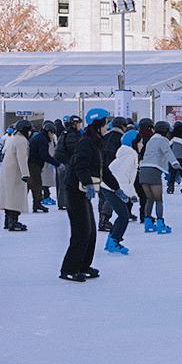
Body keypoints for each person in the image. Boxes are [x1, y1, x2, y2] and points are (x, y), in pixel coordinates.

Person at [61, 109, 109, 281]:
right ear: (98, 124)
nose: (107, 126)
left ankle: (84, 265)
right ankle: (68, 269)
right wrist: (88, 183)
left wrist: (117, 188)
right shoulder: (85, 142)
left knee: (91, 231)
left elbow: (104, 169)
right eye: (105, 122)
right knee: (81, 231)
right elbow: (80, 165)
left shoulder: (96, 142)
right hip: (75, 190)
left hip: (83, 190)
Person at [139, 120, 181, 234]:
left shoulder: (150, 140)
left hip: (143, 170)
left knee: (150, 198)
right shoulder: (162, 140)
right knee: (158, 199)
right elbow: (167, 152)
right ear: (165, 131)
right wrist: (175, 163)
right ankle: (160, 224)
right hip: (153, 170)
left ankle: (148, 223)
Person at [103, 129, 139, 255]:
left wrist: (132, 194)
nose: (142, 144)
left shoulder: (128, 154)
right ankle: (114, 242)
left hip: (111, 187)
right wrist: (126, 194)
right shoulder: (129, 156)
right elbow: (122, 178)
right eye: (140, 142)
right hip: (111, 188)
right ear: (134, 142)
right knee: (123, 216)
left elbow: (128, 180)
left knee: (123, 215)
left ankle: (110, 241)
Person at [0, 120, 32, 231]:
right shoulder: (22, 141)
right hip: (16, 173)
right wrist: (25, 174)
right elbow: (22, 158)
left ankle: (8, 221)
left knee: (9, 197)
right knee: (15, 198)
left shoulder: (14, 138)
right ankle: (13, 222)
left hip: (8, 172)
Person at [28, 121, 59, 213]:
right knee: (35, 184)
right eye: (52, 133)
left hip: (33, 164)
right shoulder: (43, 140)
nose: (53, 135)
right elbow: (44, 155)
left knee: (35, 185)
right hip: (33, 165)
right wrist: (56, 163)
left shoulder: (39, 137)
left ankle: (37, 204)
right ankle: (35, 204)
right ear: (49, 132)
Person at [168, 121, 182, 195]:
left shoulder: (173, 135)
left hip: (175, 156)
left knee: (173, 172)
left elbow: (169, 145)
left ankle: (171, 188)